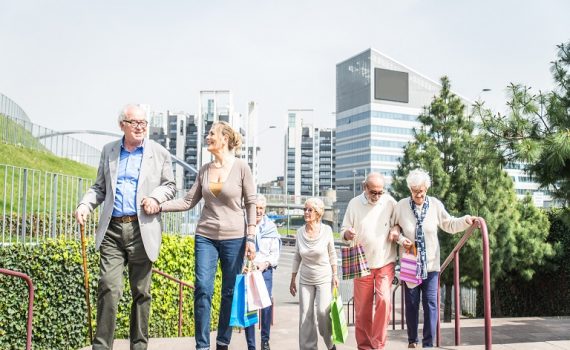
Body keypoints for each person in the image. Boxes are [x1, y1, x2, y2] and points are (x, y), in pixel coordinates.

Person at [143, 121, 256, 350]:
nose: (207, 137)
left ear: (224, 138)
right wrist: (159, 205)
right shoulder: (205, 170)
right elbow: (187, 201)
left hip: (235, 237)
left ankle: (222, 342)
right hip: (205, 236)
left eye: (212, 134)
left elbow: (251, 203)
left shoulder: (242, 168)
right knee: (203, 288)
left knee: (229, 292)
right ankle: (202, 346)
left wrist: (251, 237)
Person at [75, 104, 176, 350]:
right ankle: (102, 346)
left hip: (143, 230)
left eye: (144, 123)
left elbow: (170, 186)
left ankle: (139, 346)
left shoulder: (159, 152)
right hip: (112, 230)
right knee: (109, 288)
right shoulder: (109, 151)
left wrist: (156, 198)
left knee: (142, 293)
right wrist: (85, 204)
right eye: (135, 123)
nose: (140, 127)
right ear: (122, 125)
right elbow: (99, 187)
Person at [391, 169, 476, 349]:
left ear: (426, 188)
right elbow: (394, 227)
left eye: (421, 190)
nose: (418, 194)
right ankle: (413, 340)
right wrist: (400, 239)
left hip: (431, 265)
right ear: (409, 189)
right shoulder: (401, 206)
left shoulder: (435, 205)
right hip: (410, 263)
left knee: (431, 304)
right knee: (412, 304)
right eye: (414, 190)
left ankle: (428, 344)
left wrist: (467, 220)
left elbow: (449, 224)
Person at [341, 172, 397, 350]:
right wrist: (347, 234)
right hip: (361, 260)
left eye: (380, 192)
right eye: (373, 192)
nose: (377, 196)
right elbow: (343, 229)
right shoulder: (354, 203)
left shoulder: (389, 202)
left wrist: (395, 229)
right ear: (365, 187)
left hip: (385, 260)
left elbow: (398, 222)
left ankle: (378, 345)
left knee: (384, 301)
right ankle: (364, 346)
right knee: (362, 309)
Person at [289, 197, 338, 350]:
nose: (306, 212)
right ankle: (308, 348)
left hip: (324, 277)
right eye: (305, 209)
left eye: (310, 210)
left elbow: (332, 253)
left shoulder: (327, 230)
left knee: (323, 313)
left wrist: (335, 274)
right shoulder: (299, 232)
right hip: (305, 278)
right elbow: (297, 256)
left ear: (318, 213)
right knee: (305, 316)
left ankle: (330, 344)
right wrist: (293, 278)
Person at [244, 194, 281, 350]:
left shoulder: (271, 227)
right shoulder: (244, 225)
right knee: (249, 308)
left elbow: (275, 253)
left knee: (266, 307)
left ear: (265, 209)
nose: (258, 211)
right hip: (248, 271)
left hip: (264, 271)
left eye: (261, 208)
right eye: (256, 208)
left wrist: (265, 264)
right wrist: (243, 266)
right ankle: (251, 345)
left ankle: (265, 340)